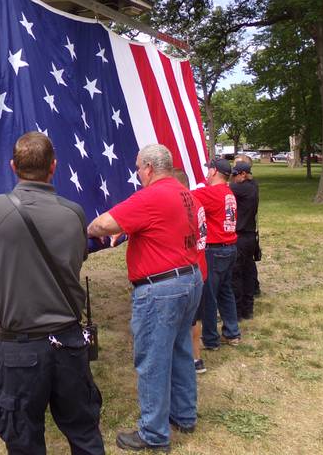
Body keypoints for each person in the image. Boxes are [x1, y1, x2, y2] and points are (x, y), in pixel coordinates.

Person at [0, 132, 104, 455]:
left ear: (12, 166)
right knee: (84, 433)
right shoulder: (74, 212)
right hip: (70, 342)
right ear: (54, 167)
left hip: (19, 348)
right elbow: (77, 256)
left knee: (23, 440)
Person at [88, 144, 203, 452]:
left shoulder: (151, 195)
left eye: (138, 168)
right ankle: (185, 414)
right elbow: (161, 227)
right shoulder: (184, 193)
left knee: (152, 359)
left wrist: (89, 228)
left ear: (149, 168)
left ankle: (153, 433)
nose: (137, 173)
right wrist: (129, 232)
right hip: (190, 279)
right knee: (180, 350)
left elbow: (102, 224)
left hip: (161, 288)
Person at [191, 157, 240, 350]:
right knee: (225, 292)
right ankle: (232, 332)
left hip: (215, 249)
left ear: (213, 172)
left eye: (208, 170)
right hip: (230, 247)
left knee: (209, 296)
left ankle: (210, 339)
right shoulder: (228, 192)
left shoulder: (212, 193)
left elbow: (185, 194)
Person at [170, 167, 208, 374]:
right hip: (200, 268)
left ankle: (186, 360)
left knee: (185, 322)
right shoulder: (197, 202)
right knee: (195, 320)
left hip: (189, 270)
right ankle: (196, 359)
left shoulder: (184, 204)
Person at [229, 160, 260, 321]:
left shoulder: (241, 188)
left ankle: (237, 311)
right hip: (249, 236)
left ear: (243, 174)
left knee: (236, 275)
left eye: (235, 175)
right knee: (248, 273)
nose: (232, 178)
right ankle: (248, 309)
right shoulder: (253, 185)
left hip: (240, 237)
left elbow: (222, 188)